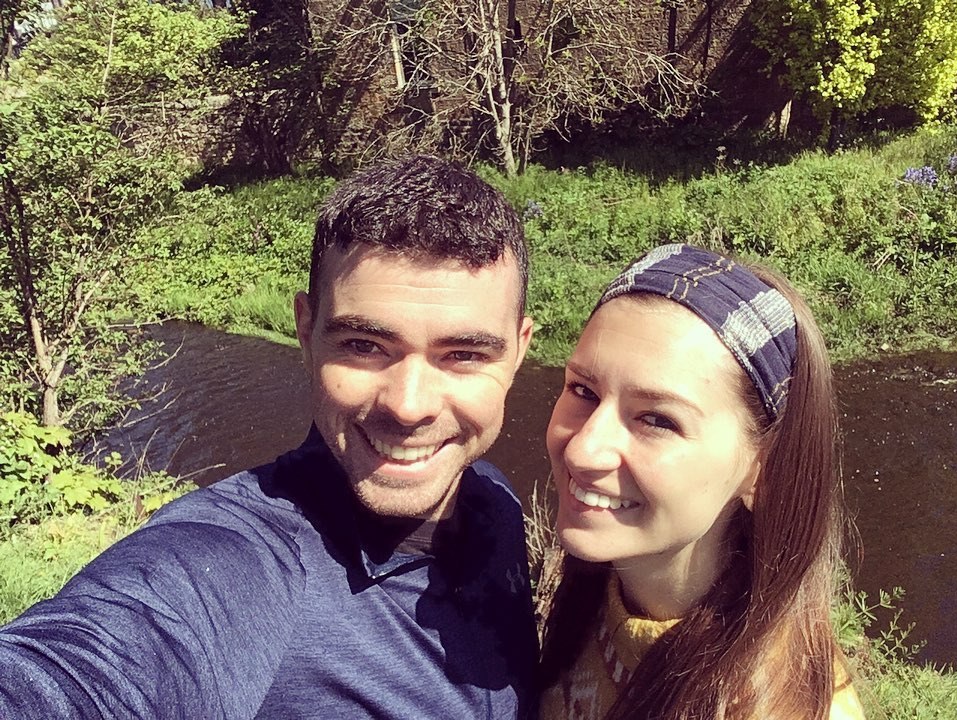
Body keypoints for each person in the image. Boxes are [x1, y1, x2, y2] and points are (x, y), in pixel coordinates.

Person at [0, 155, 538, 719]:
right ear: (306, 332)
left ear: (519, 350)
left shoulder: (495, 501)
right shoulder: (231, 563)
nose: (408, 406)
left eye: (464, 354)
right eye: (363, 345)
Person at [538, 243, 864, 719]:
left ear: (764, 470)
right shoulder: (600, 601)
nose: (583, 450)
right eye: (583, 390)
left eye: (657, 420)